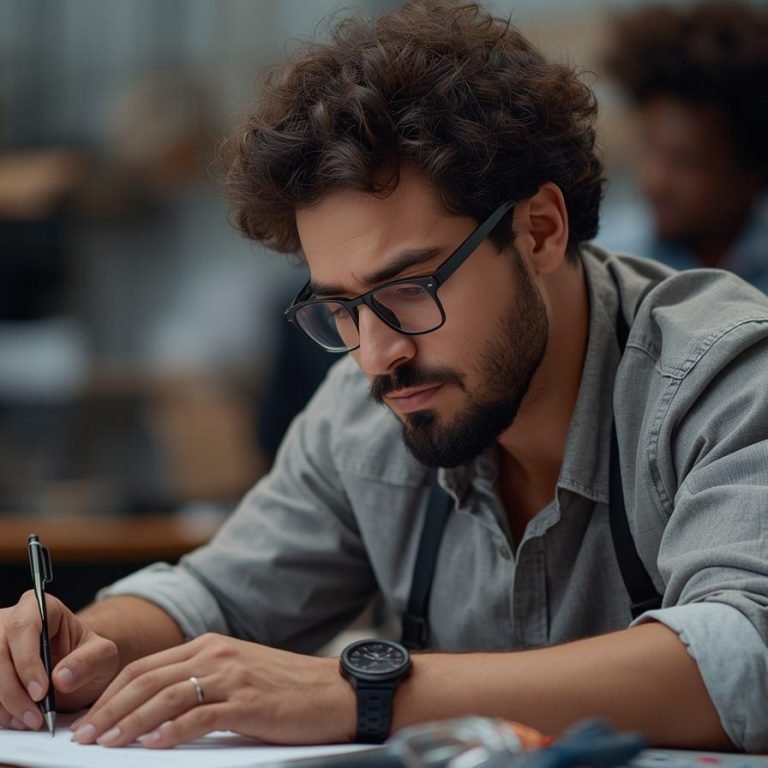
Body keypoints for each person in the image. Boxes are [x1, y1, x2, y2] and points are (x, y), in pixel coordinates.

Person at [1, 0, 768, 754]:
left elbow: (744, 653)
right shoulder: (366, 416)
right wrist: (85, 643)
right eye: (342, 308)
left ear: (539, 230)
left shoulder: (721, 373)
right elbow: (219, 596)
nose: (376, 355)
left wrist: (362, 692)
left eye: (410, 290)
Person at [599, 0, 768, 290]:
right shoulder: (603, 265)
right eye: (649, 147)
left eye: (685, 161)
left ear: (749, 172)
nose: (655, 181)